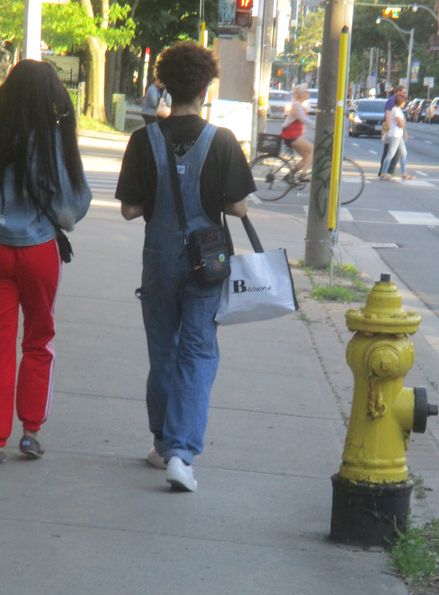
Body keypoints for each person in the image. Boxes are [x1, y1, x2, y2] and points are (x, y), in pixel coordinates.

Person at [116, 42, 255, 492]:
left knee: (163, 351)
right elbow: (237, 205)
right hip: (206, 264)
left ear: (165, 85)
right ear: (206, 85)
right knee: (197, 353)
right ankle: (181, 453)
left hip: (157, 262)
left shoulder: (142, 140)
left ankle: (161, 444)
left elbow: (130, 210)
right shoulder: (223, 141)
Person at [0, 60, 92, 463]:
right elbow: (75, 203)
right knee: (39, 338)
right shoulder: (54, 139)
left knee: (0, 343)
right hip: (39, 250)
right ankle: (30, 430)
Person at [281, 83, 315, 178]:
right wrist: (317, 126)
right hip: (291, 135)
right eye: (306, 92)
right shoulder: (296, 105)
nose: (308, 93)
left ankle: (289, 176)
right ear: (301, 94)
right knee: (312, 150)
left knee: (307, 157)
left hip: (293, 135)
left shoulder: (299, 104)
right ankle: (303, 175)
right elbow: (303, 119)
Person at [380, 93, 414, 180]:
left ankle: (404, 173)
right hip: (395, 135)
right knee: (390, 154)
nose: (404, 104)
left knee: (404, 153)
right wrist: (403, 122)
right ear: (401, 103)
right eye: (404, 102)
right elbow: (400, 124)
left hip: (398, 134)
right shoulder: (396, 111)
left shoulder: (396, 109)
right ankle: (383, 173)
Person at [378, 85, 407, 177]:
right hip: (394, 133)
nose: (405, 94)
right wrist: (387, 131)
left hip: (396, 133)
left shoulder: (397, 107)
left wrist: (404, 132)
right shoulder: (392, 102)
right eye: (403, 92)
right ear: (398, 92)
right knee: (390, 154)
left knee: (402, 153)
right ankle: (385, 172)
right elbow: (388, 117)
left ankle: (402, 173)